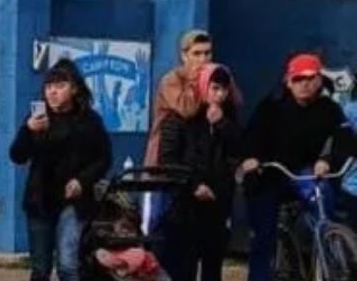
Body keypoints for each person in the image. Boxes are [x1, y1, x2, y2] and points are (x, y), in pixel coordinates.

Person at [240, 53, 354, 281]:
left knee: (324, 200)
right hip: (271, 173)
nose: (304, 84)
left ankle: (330, 252)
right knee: (264, 234)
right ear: (288, 82)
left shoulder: (328, 108)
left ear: (319, 81)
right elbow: (252, 136)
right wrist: (252, 158)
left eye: (310, 79)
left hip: (304, 172)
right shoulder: (271, 106)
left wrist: (328, 160)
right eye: (298, 79)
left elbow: (346, 138)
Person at [9, 58, 112, 281]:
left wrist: (82, 181)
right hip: (40, 199)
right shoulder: (38, 117)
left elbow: (104, 159)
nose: (53, 92)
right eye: (49, 87)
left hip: (73, 201)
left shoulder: (89, 121)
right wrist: (27, 131)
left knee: (68, 265)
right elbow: (17, 156)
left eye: (60, 86)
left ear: (74, 88)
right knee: (40, 268)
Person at [155, 63, 242, 281]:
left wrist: (221, 124)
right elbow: (168, 160)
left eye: (223, 90)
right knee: (184, 265)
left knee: (213, 266)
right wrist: (193, 185)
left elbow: (238, 149)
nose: (219, 95)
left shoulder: (228, 116)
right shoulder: (180, 117)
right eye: (214, 88)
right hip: (185, 205)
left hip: (218, 203)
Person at [145, 30, 214, 167]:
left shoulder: (212, 78)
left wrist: (224, 77)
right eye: (197, 54)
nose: (203, 59)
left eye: (207, 53)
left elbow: (236, 101)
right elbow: (187, 110)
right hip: (167, 155)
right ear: (184, 56)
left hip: (198, 153)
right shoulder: (171, 80)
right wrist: (195, 80)